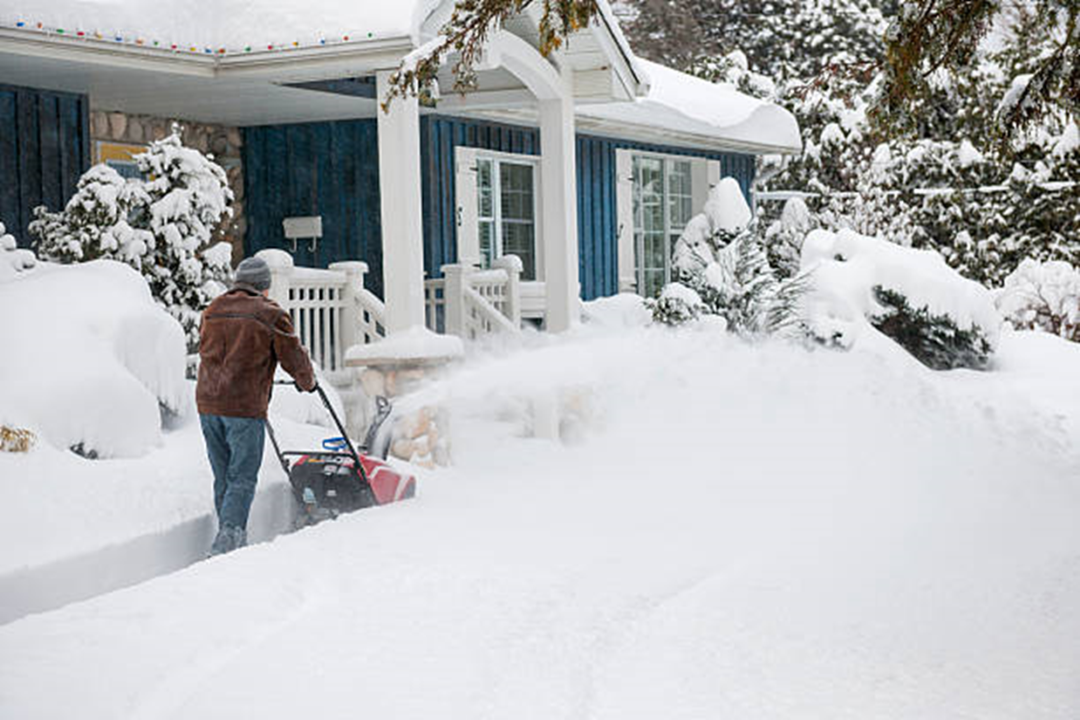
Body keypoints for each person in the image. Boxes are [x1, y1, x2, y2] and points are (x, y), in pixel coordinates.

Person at [196, 256, 316, 556]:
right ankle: (228, 542)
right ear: (264, 286)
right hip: (243, 406)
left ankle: (230, 536)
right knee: (243, 477)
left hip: (208, 404)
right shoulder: (270, 314)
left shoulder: (213, 310)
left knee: (224, 476)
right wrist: (307, 381)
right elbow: (293, 356)